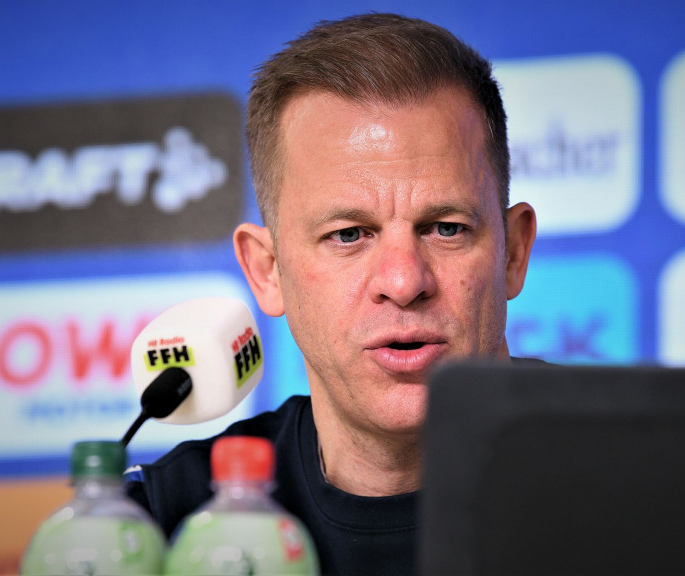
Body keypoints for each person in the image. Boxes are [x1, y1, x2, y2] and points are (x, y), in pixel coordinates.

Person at [125, 12, 539, 575]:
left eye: (446, 228)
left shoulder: (643, 477)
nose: (403, 283)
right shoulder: (157, 530)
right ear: (268, 271)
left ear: (513, 253)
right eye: (348, 235)